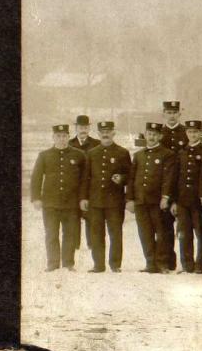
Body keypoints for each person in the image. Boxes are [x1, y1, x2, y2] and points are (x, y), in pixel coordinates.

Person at [30, 124, 86, 272]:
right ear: (53, 137)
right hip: (50, 203)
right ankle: (53, 264)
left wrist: (82, 199)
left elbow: (84, 180)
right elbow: (36, 178)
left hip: (71, 203)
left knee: (70, 234)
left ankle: (68, 263)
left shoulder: (79, 155)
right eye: (58, 136)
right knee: (51, 234)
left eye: (64, 136)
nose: (61, 139)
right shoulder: (44, 155)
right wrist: (36, 198)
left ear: (68, 137)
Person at [80, 121, 131, 273]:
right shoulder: (91, 153)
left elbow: (130, 176)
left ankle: (115, 264)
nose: (105, 134)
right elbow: (86, 178)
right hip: (95, 201)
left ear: (114, 133)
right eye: (102, 131)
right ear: (98, 133)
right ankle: (98, 265)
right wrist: (84, 198)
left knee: (115, 232)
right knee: (96, 233)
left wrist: (121, 178)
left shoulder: (122, 152)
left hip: (115, 201)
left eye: (108, 131)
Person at [129, 122, 177, 273]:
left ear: (160, 136)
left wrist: (165, 197)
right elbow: (131, 179)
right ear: (145, 135)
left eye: (155, 135)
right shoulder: (138, 155)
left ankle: (162, 263)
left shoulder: (167, 154)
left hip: (158, 202)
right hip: (141, 201)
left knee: (162, 233)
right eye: (149, 134)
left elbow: (168, 178)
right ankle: (150, 263)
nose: (152, 137)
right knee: (145, 233)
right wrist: (130, 199)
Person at [172, 119, 202, 274]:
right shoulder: (181, 152)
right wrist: (174, 201)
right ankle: (187, 265)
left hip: (198, 200)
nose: (192, 135)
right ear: (186, 133)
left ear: (200, 133)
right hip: (182, 200)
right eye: (189, 132)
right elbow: (176, 179)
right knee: (184, 234)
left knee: (201, 233)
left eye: (195, 132)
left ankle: (199, 265)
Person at [158, 100, 187, 271]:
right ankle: (167, 262)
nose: (171, 115)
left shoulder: (186, 132)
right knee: (165, 227)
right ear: (163, 114)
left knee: (183, 228)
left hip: (182, 184)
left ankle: (186, 264)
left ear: (179, 114)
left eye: (174, 112)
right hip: (164, 185)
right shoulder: (159, 132)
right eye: (168, 112)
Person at [71, 114, 101, 252]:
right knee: (73, 216)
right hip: (73, 187)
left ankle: (91, 243)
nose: (83, 129)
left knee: (90, 215)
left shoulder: (96, 144)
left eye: (85, 127)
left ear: (89, 128)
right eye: (80, 127)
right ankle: (75, 244)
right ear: (75, 128)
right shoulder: (69, 144)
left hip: (90, 186)